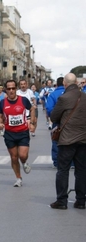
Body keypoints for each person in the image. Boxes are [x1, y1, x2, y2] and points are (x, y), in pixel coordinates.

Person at [49, 73, 86, 210]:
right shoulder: (85, 97)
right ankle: (81, 201)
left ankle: (62, 201)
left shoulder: (63, 98)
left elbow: (53, 117)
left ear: (64, 83)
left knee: (63, 170)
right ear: (76, 82)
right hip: (83, 139)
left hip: (67, 140)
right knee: (81, 170)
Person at [0, 80, 35, 187]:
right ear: (6, 90)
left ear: (16, 89)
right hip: (9, 133)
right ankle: (18, 178)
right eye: (9, 89)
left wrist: (31, 123)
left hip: (22, 132)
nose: (11, 91)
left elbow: (32, 109)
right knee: (14, 157)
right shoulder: (3, 103)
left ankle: (24, 162)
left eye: (13, 88)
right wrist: (0, 123)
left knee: (22, 155)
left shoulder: (23, 100)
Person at [46, 77, 65, 168]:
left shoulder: (53, 94)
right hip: (70, 122)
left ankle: (57, 161)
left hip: (57, 121)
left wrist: (54, 118)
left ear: (56, 84)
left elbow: (49, 109)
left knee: (56, 140)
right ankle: (72, 162)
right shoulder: (70, 93)